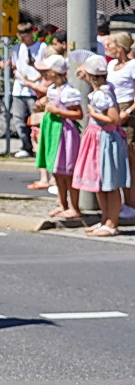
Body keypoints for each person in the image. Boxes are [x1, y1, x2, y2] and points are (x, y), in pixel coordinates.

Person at [75, 55, 128, 237]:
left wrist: (93, 114)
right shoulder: (105, 89)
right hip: (99, 138)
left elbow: (114, 119)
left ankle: (112, 223)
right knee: (100, 182)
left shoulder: (101, 94)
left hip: (105, 139)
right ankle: (105, 220)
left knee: (110, 183)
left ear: (91, 76)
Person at [41, 55, 84, 221]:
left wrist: (57, 111)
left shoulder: (69, 92)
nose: (43, 74)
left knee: (68, 171)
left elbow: (78, 114)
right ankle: (62, 204)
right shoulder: (53, 89)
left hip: (65, 132)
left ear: (55, 72)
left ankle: (74, 206)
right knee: (57, 171)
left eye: (47, 71)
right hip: (53, 130)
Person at [106, 31, 135, 219]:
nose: (107, 47)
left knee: (131, 160)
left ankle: (131, 203)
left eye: (111, 44)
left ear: (121, 47)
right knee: (118, 161)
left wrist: (128, 112)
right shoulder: (111, 65)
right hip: (113, 110)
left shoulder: (132, 66)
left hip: (127, 112)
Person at [8, 22, 41, 158]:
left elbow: (45, 67)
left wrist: (34, 79)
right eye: (19, 34)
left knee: (35, 120)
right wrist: (14, 71)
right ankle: (26, 146)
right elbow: (15, 66)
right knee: (19, 119)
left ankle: (38, 147)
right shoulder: (17, 48)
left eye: (25, 34)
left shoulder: (41, 47)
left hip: (35, 88)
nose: (22, 37)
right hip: (19, 89)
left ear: (30, 33)